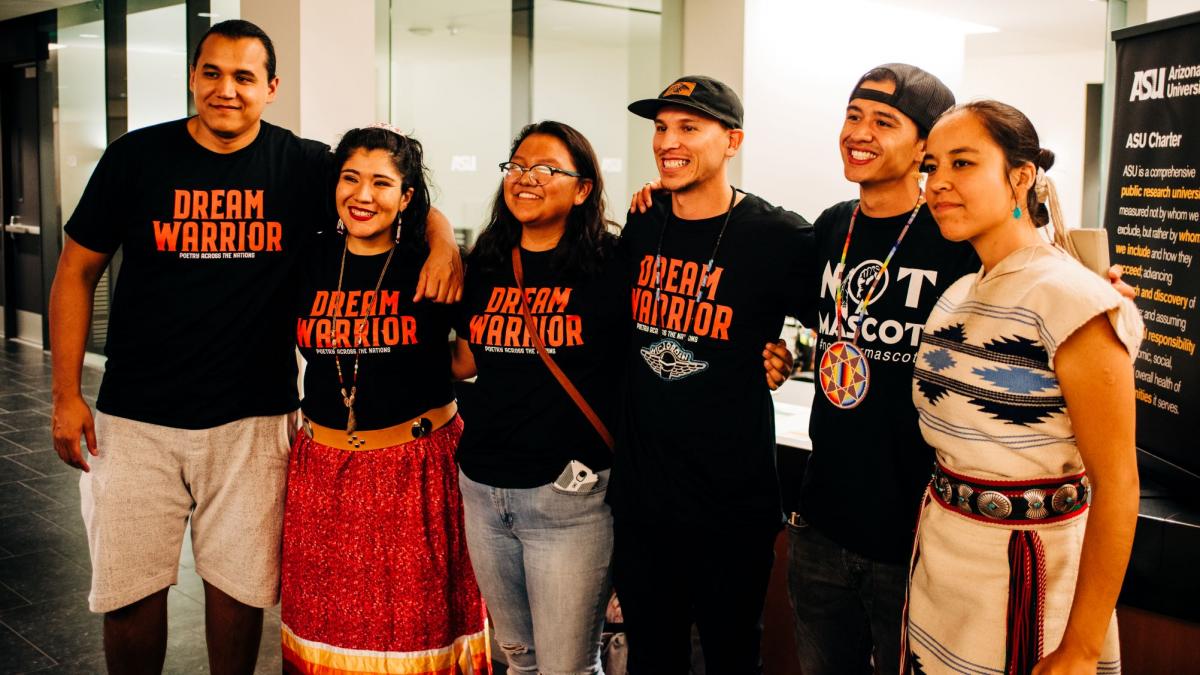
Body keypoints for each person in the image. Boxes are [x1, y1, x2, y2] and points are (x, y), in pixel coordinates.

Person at [47, 20, 460, 673]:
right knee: (127, 595)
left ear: (270, 86)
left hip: (253, 418)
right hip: (133, 418)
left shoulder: (299, 165)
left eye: (244, 77)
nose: (227, 90)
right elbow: (75, 271)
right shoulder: (137, 157)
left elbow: (390, 185)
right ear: (192, 78)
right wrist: (65, 394)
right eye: (212, 72)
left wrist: (443, 242)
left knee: (239, 592)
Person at [905, 100, 1141, 674]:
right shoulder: (957, 293)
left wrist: (1081, 648)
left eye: (963, 164)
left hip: (1029, 583)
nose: (939, 183)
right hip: (943, 571)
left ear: (1021, 175)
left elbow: (1118, 485)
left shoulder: (1073, 300)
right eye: (931, 167)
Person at [609, 75, 817, 674]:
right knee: (653, 657)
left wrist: (789, 356)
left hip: (732, 505)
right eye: (661, 127)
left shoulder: (777, 235)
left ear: (733, 141)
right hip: (644, 501)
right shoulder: (645, 221)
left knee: (731, 656)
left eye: (688, 127)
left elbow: (841, 321)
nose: (668, 141)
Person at [789, 64, 977, 675]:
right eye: (853, 116)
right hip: (820, 524)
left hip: (918, 536)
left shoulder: (956, 238)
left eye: (883, 122)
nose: (859, 133)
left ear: (926, 146)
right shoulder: (831, 226)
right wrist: (781, 355)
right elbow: (804, 320)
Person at [282, 124, 487, 674]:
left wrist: (443, 243)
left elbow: (467, 359)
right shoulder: (311, 257)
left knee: (414, 627)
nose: (363, 195)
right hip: (322, 470)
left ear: (407, 197)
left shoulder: (433, 260)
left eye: (381, 182)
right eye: (350, 179)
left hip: (414, 467)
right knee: (326, 622)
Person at [451, 120, 624, 674]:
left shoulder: (613, 264)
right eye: (518, 166)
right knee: (518, 662)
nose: (527, 178)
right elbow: (471, 357)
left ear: (583, 188)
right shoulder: (486, 263)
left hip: (568, 497)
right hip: (482, 490)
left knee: (568, 668)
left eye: (547, 168)